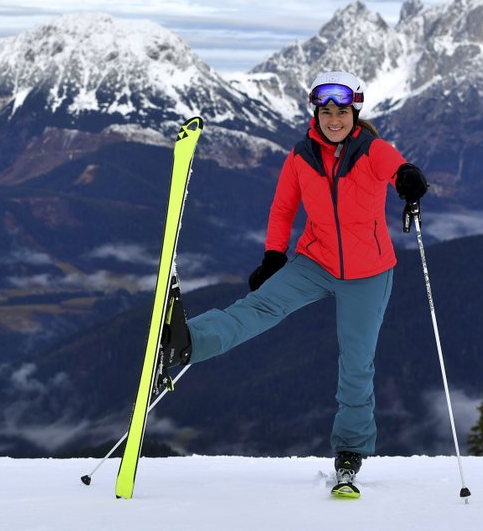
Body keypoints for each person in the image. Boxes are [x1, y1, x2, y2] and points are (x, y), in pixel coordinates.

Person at [161, 70, 428, 484]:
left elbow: (396, 168)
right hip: (314, 261)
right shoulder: (301, 156)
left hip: (368, 273)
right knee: (258, 307)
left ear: (354, 113)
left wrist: (408, 178)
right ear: (315, 114)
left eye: (342, 111)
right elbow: (283, 209)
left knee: (356, 363)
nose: (334, 119)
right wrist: (273, 256)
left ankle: (350, 451)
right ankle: (188, 341)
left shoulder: (371, 150)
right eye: (326, 111)